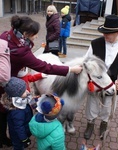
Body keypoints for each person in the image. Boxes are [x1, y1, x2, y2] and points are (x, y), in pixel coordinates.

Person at [0, 15, 82, 148]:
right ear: (26, 34)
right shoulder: (21, 51)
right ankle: (13, 139)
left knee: (4, 113)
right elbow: (45, 67)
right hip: (9, 86)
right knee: (10, 114)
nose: (36, 37)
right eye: (35, 35)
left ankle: (3, 137)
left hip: (9, 82)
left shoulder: (6, 35)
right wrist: (70, 69)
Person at [83, 15, 118, 140]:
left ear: (117, 32)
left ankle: (104, 124)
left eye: (108, 33)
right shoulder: (95, 43)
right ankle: (90, 123)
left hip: (113, 85)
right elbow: (86, 61)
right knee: (92, 104)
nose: (104, 35)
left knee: (108, 107)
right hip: (97, 83)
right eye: (104, 32)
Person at [3, 77, 33, 150]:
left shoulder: (20, 100)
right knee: (18, 147)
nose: (27, 91)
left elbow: (29, 102)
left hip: (24, 130)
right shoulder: (17, 112)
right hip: (18, 136)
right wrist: (24, 139)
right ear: (16, 95)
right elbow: (19, 127)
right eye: (24, 91)